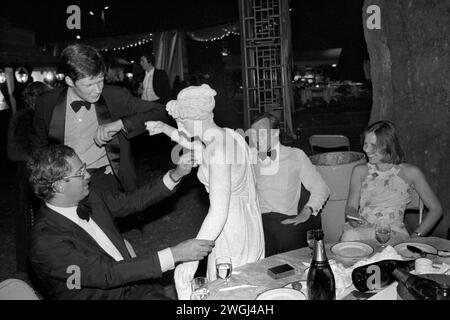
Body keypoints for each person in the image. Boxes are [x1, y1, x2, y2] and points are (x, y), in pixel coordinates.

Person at [27, 145, 214, 300]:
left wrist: (176, 174)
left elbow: (132, 201)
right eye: (80, 173)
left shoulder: (91, 197)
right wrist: (175, 254)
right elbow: (106, 273)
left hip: (134, 289)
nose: (88, 176)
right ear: (59, 186)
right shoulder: (46, 243)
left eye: (84, 167)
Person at [146, 84, 265, 299]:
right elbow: (196, 146)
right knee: (248, 286)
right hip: (248, 222)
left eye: (180, 121)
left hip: (230, 229)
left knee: (230, 291)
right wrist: (165, 129)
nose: (179, 126)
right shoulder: (230, 135)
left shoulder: (217, 151)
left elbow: (219, 212)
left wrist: (192, 260)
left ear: (192, 118)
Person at [31, 43, 169, 195]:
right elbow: (40, 151)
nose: (98, 90)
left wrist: (120, 124)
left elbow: (161, 111)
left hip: (107, 178)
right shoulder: (46, 103)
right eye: (89, 84)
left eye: (100, 80)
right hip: (67, 185)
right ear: (70, 81)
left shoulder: (115, 96)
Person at [341, 120, 442, 242]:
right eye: (365, 144)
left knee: (354, 238)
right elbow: (351, 207)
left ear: (388, 145)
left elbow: (436, 209)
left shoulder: (410, 172)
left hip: (393, 233)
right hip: (363, 231)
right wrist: (353, 217)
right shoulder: (360, 171)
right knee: (349, 236)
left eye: (373, 146)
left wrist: (416, 236)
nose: (367, 150)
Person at [250, 113, 330, 257]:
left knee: (286, 239)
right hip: (256, 221)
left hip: (283, 221)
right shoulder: (248, 158)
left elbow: (321, 188)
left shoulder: (295, 156)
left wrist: (306, 211)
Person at [7, 81, 51, 272]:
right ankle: (36, 263)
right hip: (30, 175)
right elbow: (15, 151)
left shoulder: (33, 116)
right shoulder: (26, 117)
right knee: (32, 220)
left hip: (34, 172)